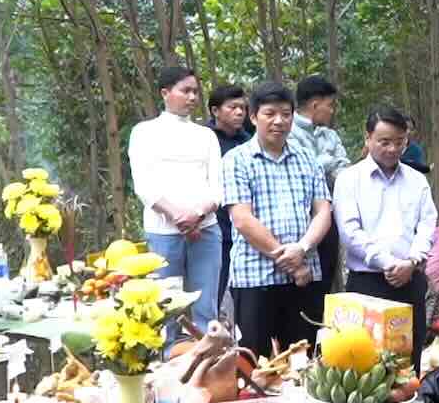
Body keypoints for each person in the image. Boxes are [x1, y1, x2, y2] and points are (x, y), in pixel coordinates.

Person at [220, 81, 333, 357]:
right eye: (270, 113)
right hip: (255, 277)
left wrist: (303, 248)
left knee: (303, 362)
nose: (279, 121)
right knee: (254, 363)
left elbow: (323, 212)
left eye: (286, 113)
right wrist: (292, 263)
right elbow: (243, 219)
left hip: (305, 278)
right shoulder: (237, 160)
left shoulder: (308, 160)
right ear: (253, 116)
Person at [334, 106, 439, 369]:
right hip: (367, 284)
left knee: (407, 360)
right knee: (364, 360)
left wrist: (412, 261)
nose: (393, 149)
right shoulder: (349, 179)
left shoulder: (416, 180)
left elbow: (427, 224)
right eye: (384, 142)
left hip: (410, 279)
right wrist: (387, 263)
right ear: (368, 138)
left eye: (399, 142)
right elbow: (349, 231)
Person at [127, 66, 224, 339]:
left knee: (206, 308)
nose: (192, 97)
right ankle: (169, 363)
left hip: (206, 230)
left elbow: (217, 188)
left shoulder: (206, 135)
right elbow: (144, 186)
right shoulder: (144, 132)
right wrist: (177, 217)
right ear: (165, 93)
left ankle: (210, 363)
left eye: (195, 91)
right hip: (163, 232)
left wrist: (196, 215)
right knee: (166, 308)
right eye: (186, 91)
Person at [290, 75, 351, 290]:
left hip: (330, 214)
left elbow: (344, 171)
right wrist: (326, 161)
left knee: (329, 273)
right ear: (315, 104)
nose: (332, 110)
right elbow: (300, 170)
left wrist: (322, 163)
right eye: (330, 105)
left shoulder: (330, 135)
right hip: (298, 219)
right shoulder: (288, 132)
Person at [206, 84, 252, 312]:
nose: (239, 112)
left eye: (243, 108)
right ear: (215, 111)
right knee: (213, 290)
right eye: (233, 107)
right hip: (215, 226)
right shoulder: (204, 138)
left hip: (247, 228)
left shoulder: (250, 140)